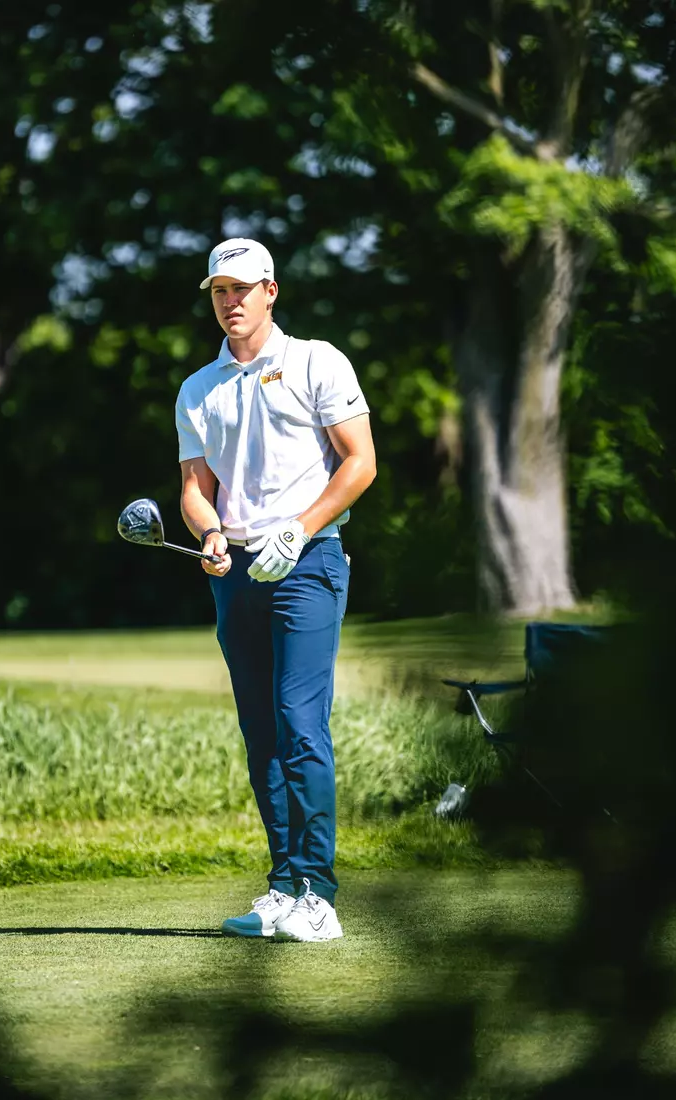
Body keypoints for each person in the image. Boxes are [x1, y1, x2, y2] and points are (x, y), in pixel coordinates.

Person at [175, 238, 376, 942]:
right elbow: (197, 490)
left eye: (240, 288)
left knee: (299, 724)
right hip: (238, 576)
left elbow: (360, 464)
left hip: (309, 563)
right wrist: (208, 533)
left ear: (271, 291)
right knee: (261, 732)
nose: (228, 301)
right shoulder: (199, 388)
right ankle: (284, 885)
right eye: (217, 292)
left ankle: (318, 893)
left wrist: (299, 527)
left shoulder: (318, 361)